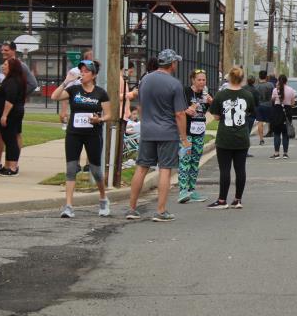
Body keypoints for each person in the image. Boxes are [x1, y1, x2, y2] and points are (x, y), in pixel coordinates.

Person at [126, 49, 189, 222]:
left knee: (141, 167)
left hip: (147, 130)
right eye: (175, 62)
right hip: (167, 132)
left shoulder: (145, 80)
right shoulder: (174, 84)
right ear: (172, 64)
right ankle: (160, 211)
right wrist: (184, 138)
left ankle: (132, 208)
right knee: (165, 170)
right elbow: (180, 113)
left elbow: (140, 106)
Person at [51, 59, 111, 218]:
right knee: (71, 169)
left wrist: (100, 119)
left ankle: (103, 198)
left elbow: (109, 115)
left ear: (94, 75)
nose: (82, 74)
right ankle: (68, 206)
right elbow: (54, 96)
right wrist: (66, 81)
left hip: (93, 134)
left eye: (86, 71)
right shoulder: (74, 90)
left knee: (96, 171)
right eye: (81, 71)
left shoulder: (100, 93)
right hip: (74, 134)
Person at [0, 41, 38, 172]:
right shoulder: (3, 66)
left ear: (14, 50)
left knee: (14, 135)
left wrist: (19, 96)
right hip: (1, 106)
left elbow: (33, 84)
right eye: (2, 49)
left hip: (11, 108)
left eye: (6, 50)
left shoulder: (20, 66)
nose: (3, 52)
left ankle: (14, 163)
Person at [206, 66, 255, 209]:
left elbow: (216, 117)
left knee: (225, 170)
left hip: (225, 137)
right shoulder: (248, 95)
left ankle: (222, 200)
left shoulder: (221, 95)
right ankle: (238, 199)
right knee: (240, 169)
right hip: (242, 136)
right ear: (242, 79)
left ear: (229, 78)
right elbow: (250, 112)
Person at [178, 69, 211, 203]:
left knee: (195, 161)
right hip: (187, 131)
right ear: (193, 80)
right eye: (199, 80)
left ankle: (191, 190)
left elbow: (209, 112)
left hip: (200, 131)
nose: (202, 82)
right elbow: (179, 109)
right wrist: (187, 110)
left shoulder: (205, 94)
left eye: (204, 80)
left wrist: (211, 102)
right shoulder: (186, 91)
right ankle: (182, 191)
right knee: (185, 160)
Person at [0, 58, 27, 176]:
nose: (3, 66)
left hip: (11, 114)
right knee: (7, 139)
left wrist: (4, 115)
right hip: (13, 112)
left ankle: (13, 167)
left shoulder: (12, 81)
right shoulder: (10, 80)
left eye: (6, 64)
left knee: (11, 140)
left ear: (12, 67)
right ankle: (7, 166)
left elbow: (10, 100)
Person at [59, 48, 94, 128]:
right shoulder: (74, 72)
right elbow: (66, 92)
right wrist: (64, 111)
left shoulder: (98, 71)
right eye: (91, 57)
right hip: (79, 109)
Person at [269, 74, 296, 160]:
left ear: (278, 81)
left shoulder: (275, 90)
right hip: (287, 112)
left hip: (277, 112)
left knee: (277, 133)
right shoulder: (291, 90)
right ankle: (285, 153)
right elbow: (292, 103)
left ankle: (276, 153)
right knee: (285, 134)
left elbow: (272, 100)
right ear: (286, 81)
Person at [254, 69, 273, 146]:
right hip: (269, 104)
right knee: (271, 120)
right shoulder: (270, 85)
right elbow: (273, 95)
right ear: (266, 77)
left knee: (260, 122)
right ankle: (271, 133)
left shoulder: (256, 86)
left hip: (259, 105)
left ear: (259, 77)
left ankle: (261, 139)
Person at [244, 76, 261, 157]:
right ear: (254, 82)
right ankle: (245, 151)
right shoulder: (255, 91)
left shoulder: (242, 89)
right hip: (251, 114)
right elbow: (257, 103)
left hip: (241, 113)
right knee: (248, 132)